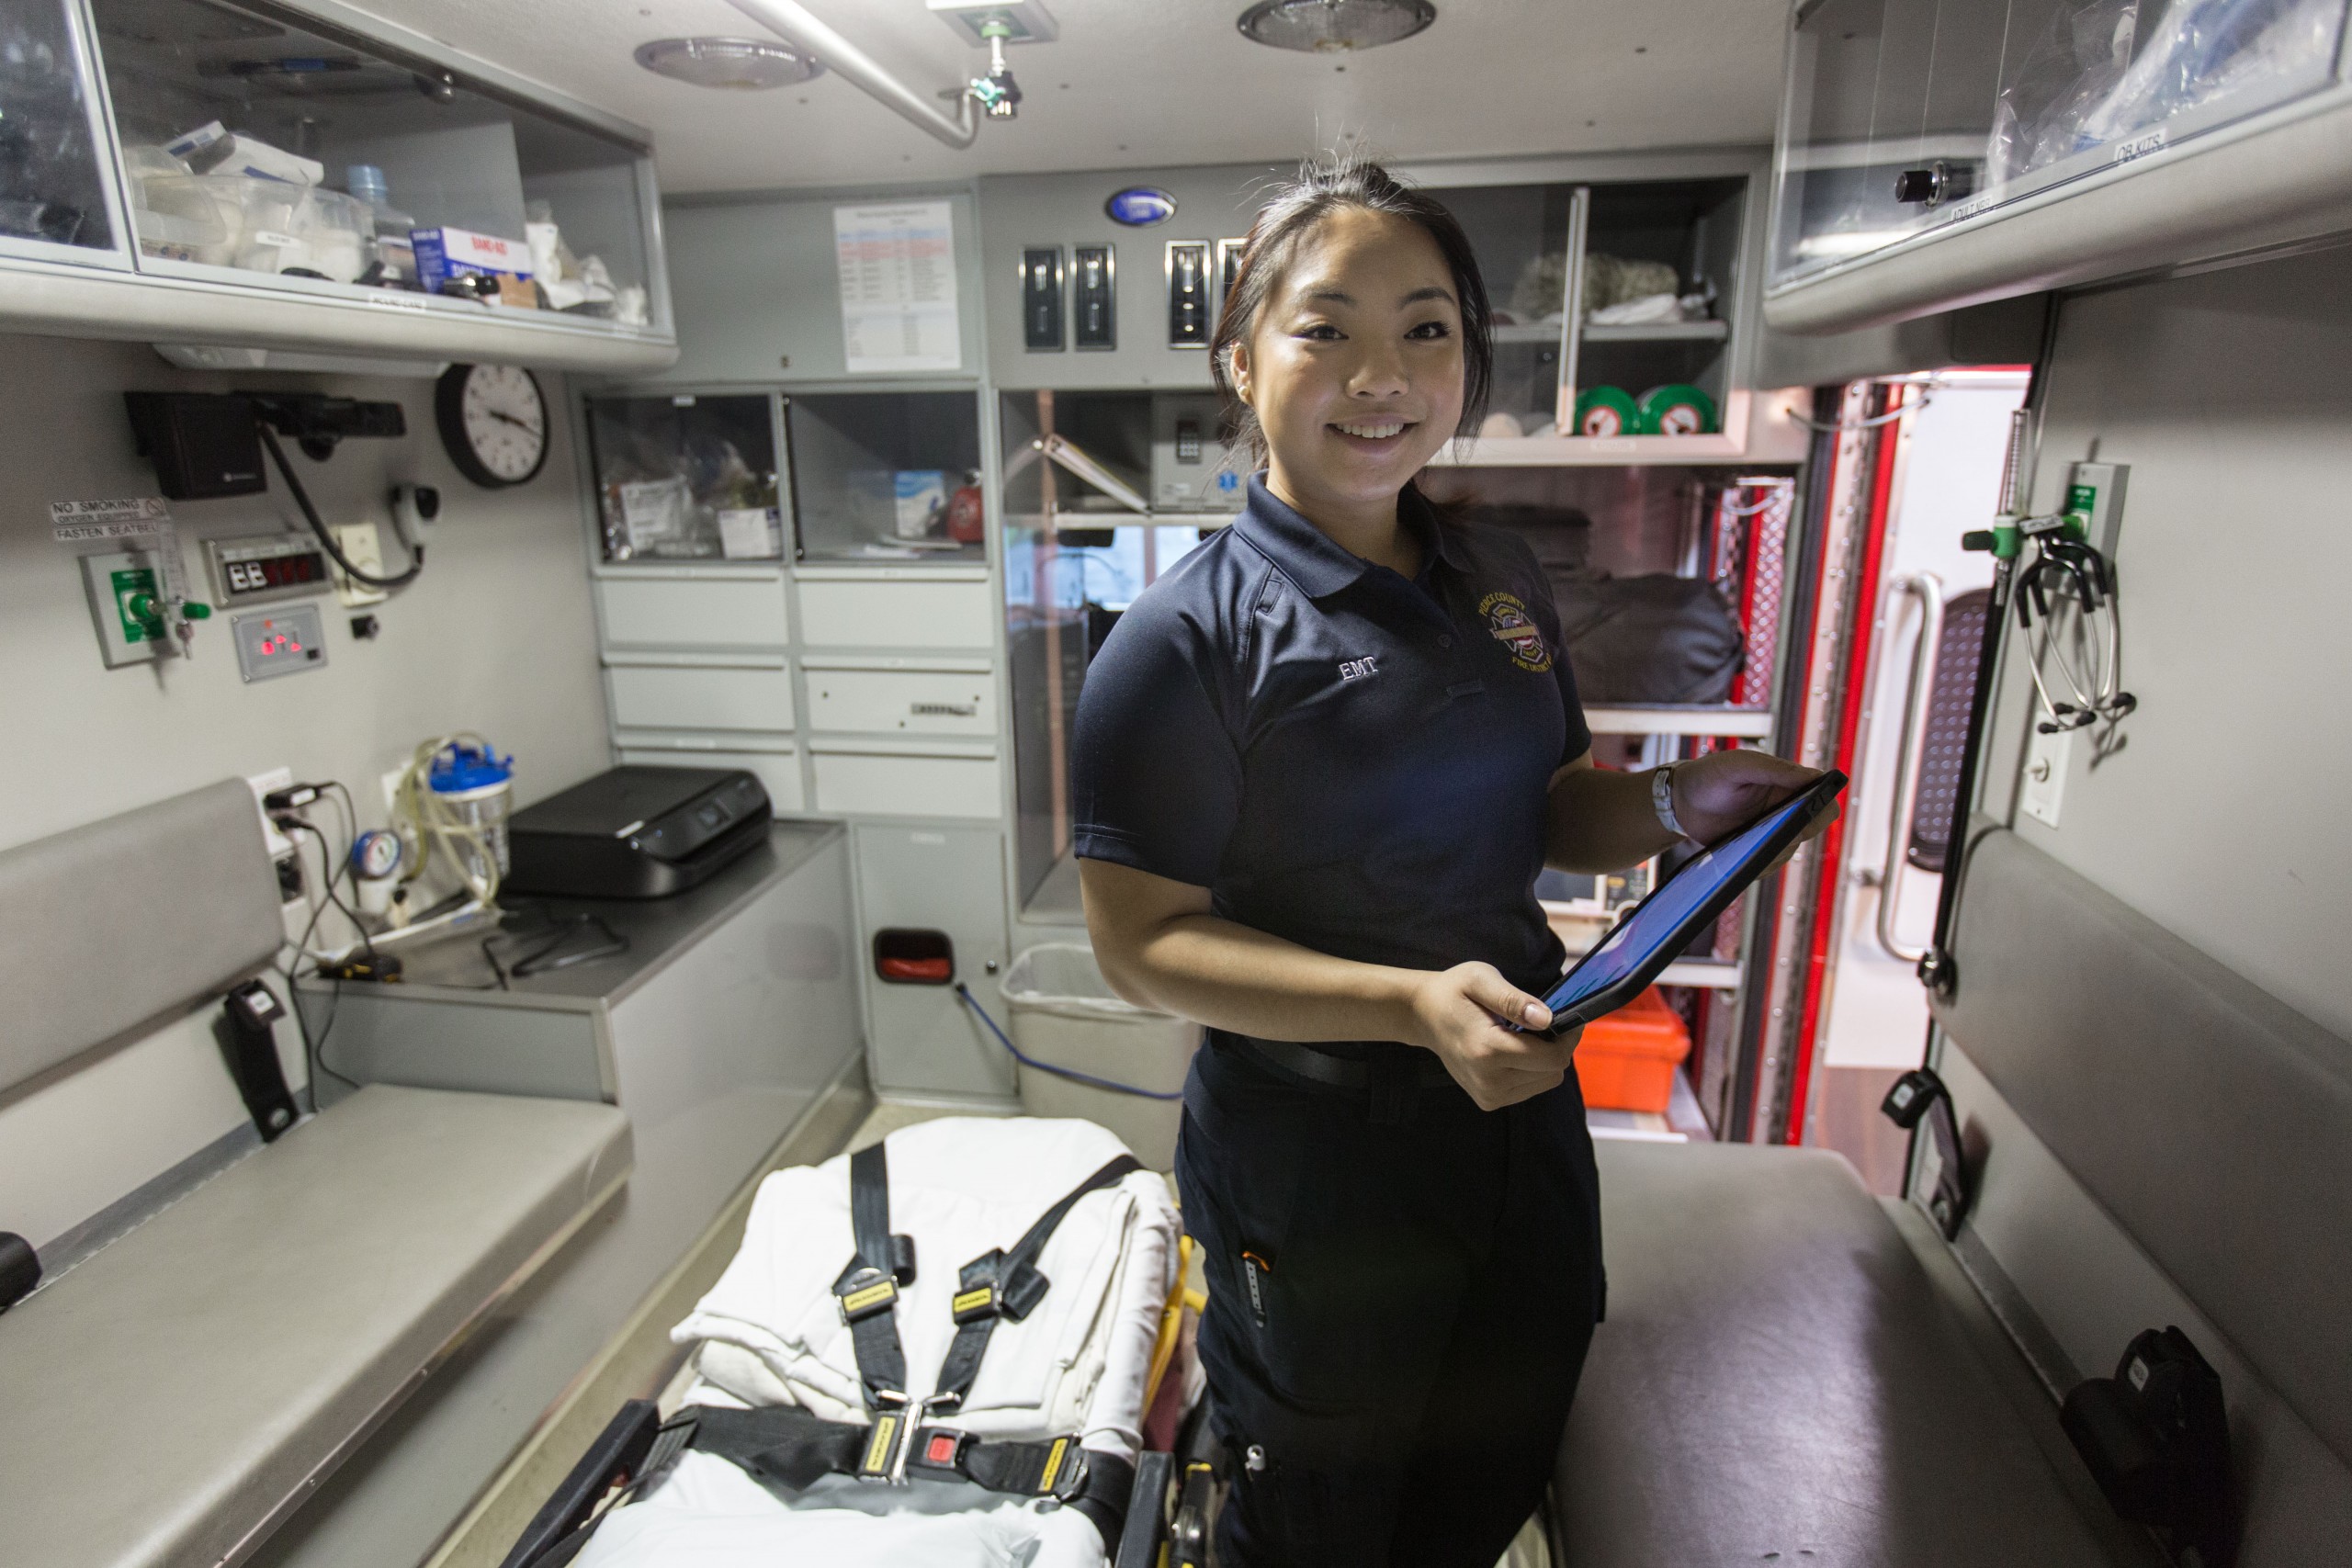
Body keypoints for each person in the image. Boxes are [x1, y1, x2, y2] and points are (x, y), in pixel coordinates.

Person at [1071, 156, 1829, 1567]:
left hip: (1519, 1120)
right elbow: (1141, 943)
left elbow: (1549, 808)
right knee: (1316, 1512)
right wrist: (1406, 1006)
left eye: (1427, 328)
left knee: (1489, 1470)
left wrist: (1679, 803)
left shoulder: (1500, 581)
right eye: (1327, 327)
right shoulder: (1179, 642)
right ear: (1244, 360)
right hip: (1316, 1159)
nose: (1384, 372)